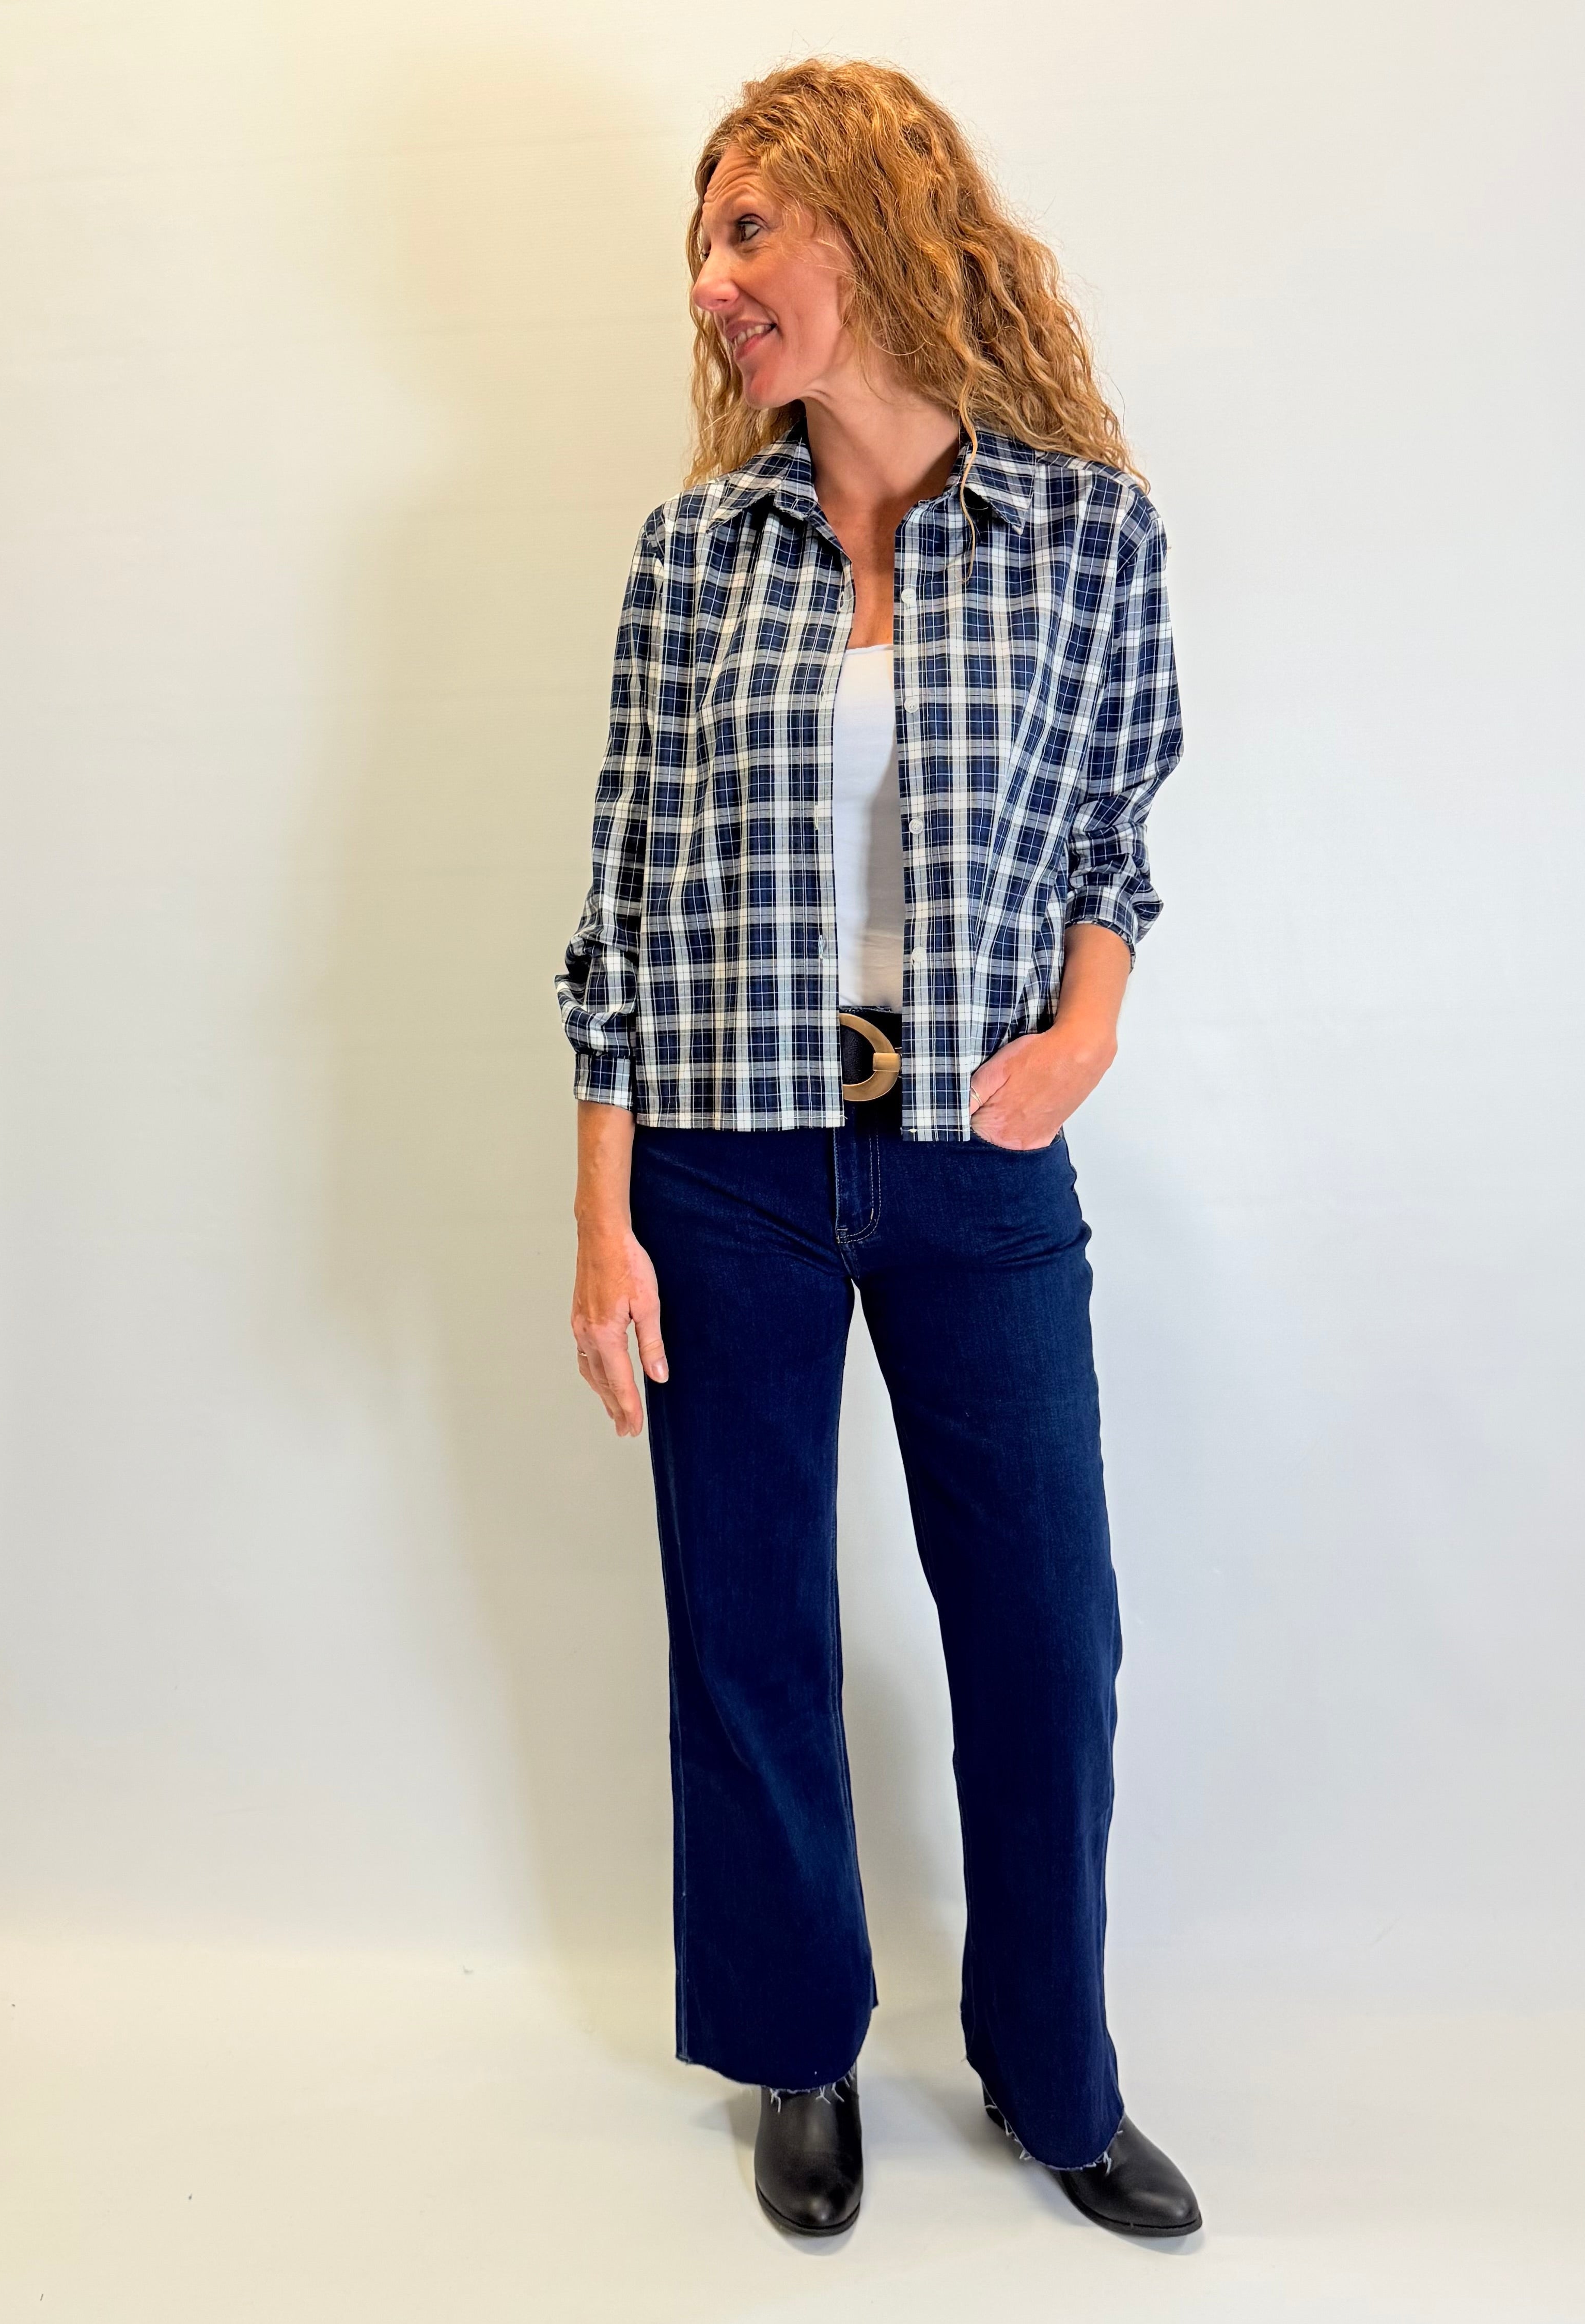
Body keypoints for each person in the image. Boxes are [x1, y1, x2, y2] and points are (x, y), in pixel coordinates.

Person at [556, 57, 1200, 2243]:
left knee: (1048, 1632)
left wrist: (1082, 1043)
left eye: (749, 229)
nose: (715, 283)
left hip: (975, 1157)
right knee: (743, 1622)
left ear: (870, 213)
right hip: (723, 1158)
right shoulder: (690, 554)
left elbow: (1117, 833)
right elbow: (623, 905)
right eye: (701, 248)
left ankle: (1058, 2073)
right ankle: (796, 2054)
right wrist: (601, 1236)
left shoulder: (1088, 529)